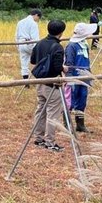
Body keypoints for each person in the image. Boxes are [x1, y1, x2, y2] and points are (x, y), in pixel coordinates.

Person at [29, 20, 68, 152]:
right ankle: (50, 142)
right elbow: (57, 68)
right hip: (52, 84)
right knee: (52, 113)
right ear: (61, 32)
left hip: (39, 83)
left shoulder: (40, 43)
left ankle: (38, 137)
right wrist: (64, 68)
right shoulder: (57, 47)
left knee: (40, 110)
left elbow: (33, 60)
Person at [64, 22, 97, 133]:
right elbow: (69, 62)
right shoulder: (71, 46)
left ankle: (80, 124)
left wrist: (89, 74)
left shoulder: (85, 44)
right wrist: (69, 79)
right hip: (74, 77)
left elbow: (86, 60)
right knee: (70, 101)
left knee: (82, 99)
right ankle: (67, 125)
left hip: (84, 76)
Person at [15, 9, 42, 87]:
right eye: (38, 18)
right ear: (36, 15)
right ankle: (39, 79)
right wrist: (36, 49)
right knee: (39, 60)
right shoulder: (33, 23)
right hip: (30, 43)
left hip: (21, 43)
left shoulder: (20, 22)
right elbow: (35, 38)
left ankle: (26, 82)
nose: (38, 20)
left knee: (24, 62)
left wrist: (18, 45)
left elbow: (16, 35)